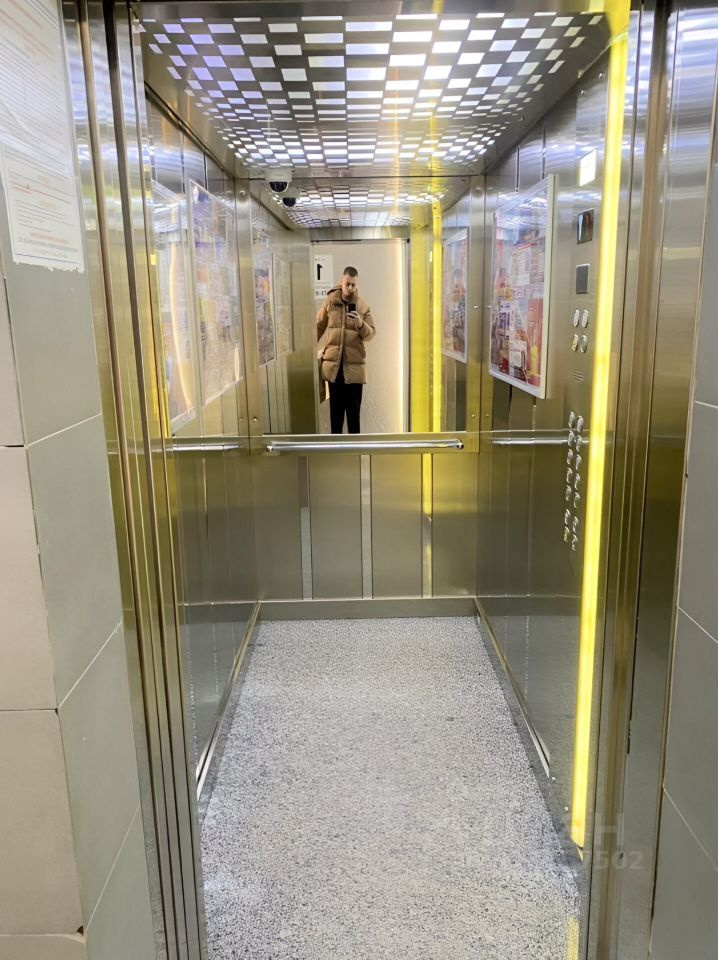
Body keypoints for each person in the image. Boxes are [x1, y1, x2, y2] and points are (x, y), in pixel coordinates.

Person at [316, 266, 376, 434]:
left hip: (354, 372)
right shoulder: (331, 301)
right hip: (334, 370)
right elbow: (318, 326)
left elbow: (371, 334)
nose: (350, 288)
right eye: (347, 284)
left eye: (353, 285)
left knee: (353, 419)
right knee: (336, 418)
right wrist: (306, 352)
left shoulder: (362, 306)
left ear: (357, 285)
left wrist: (360, 324)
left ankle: (355, 451)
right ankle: (336, 450)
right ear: (341, 282)